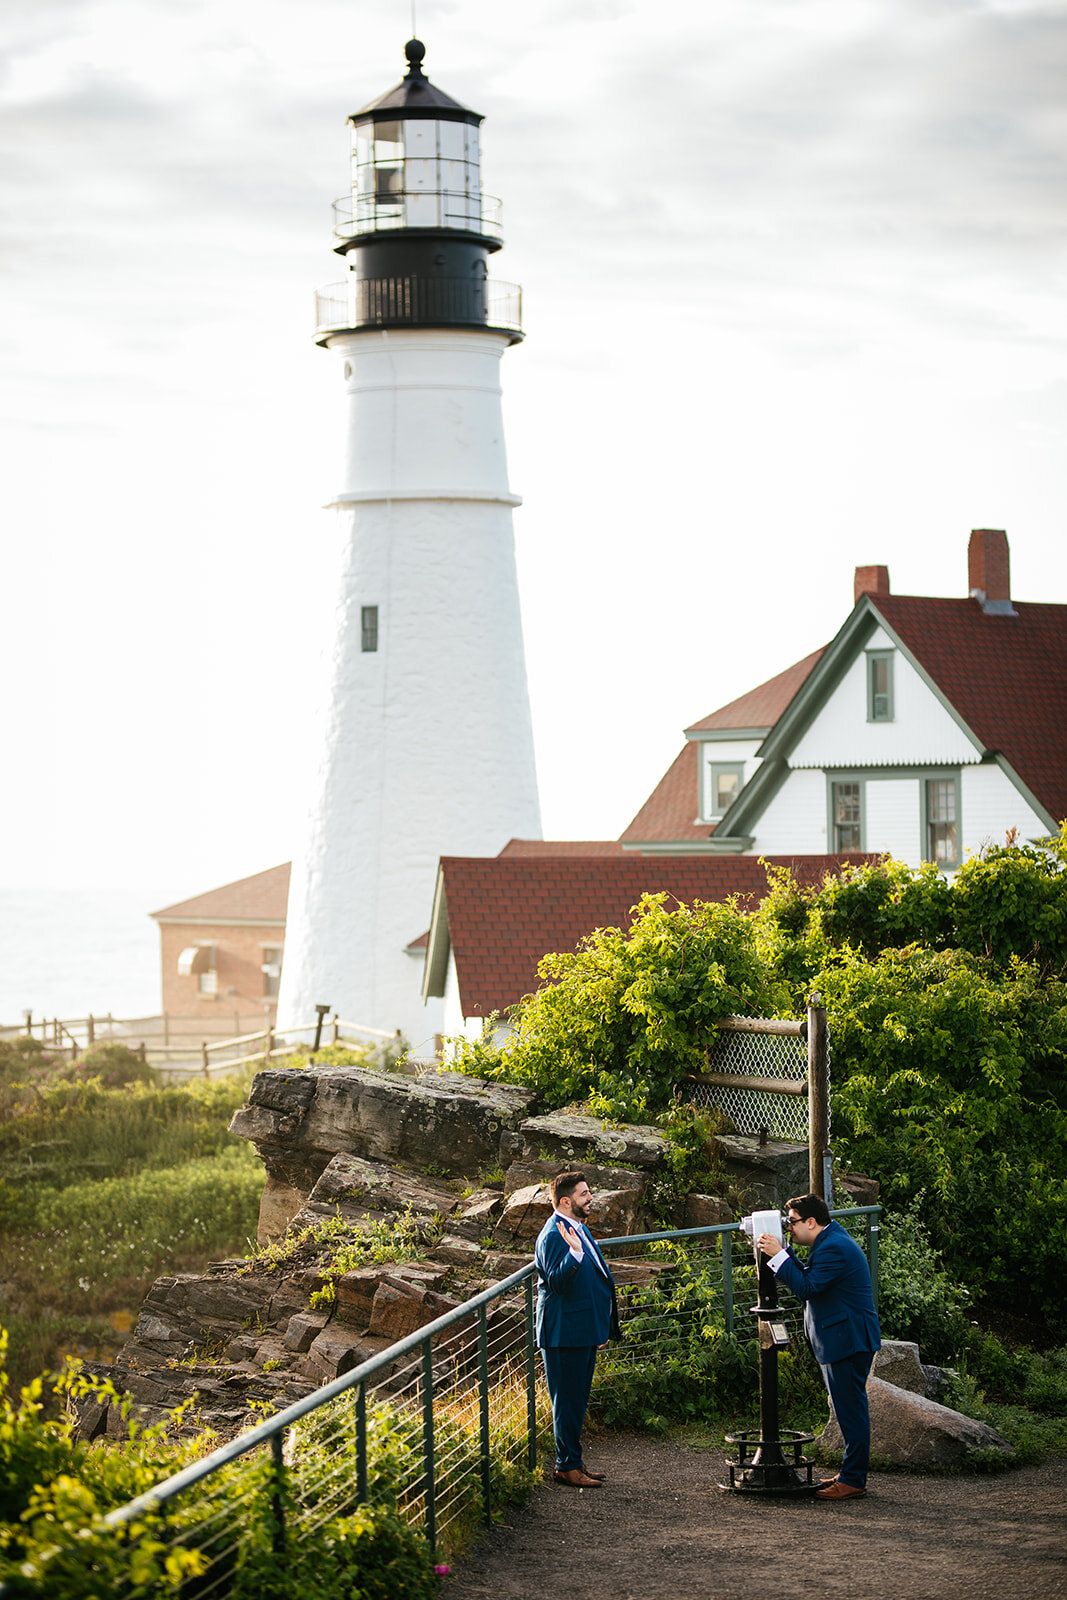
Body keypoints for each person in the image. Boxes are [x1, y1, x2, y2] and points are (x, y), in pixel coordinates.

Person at [757, 1193, 881, 1501]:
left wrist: (779, 1256)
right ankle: (850, 1474)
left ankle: (853, 1480)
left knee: (851, 1411)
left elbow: (806, 1288)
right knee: (847, 1409)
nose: (790, 1227)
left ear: (811, 1222)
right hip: (843, 1339)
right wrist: (784, 1252)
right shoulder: (829, 1242)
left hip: (847, 1341)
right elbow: (811, 1277)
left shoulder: (835, 1248)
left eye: (793, 1222)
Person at [534, 1169, 621, 1488]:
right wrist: (573, 1253)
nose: (590, 1197)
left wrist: (598, 1327)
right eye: (585, 1194)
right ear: (567, 1200)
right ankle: (566, 1467)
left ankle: (575, 1462)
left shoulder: (576, 1227)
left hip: (581, 1329)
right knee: (567, 1401)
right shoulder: (554, 1235)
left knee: (577, 1399)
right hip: (564, 1333)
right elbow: (556, 1282)